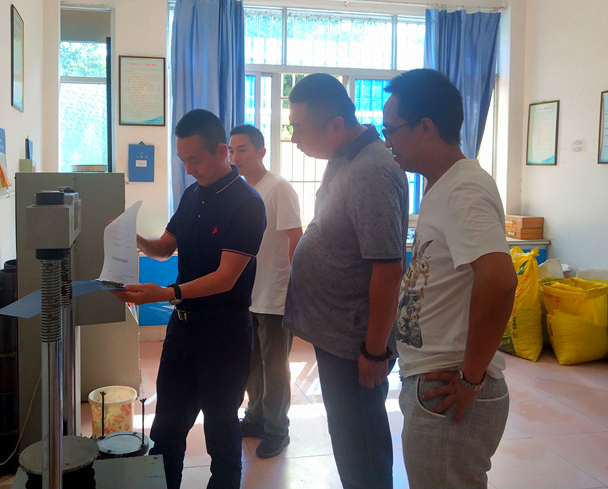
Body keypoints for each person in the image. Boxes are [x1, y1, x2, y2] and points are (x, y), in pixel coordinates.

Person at [113, 109, 266, 489]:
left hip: (224, 335)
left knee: (222, 433)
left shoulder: (247, 203)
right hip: (182, 333)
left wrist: (167, 293)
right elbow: (165, 247)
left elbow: (226, 277)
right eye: (182, 160)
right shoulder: (192, 194)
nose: (188, 169)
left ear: (221, 151)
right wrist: (130, 236)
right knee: (166, 431)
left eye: (194, 160)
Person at [382, 68, 517, 489]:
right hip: (434, 380)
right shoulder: (442, 186)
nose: (387, 142)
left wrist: (471, 378)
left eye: (392, 130)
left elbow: (499, 280)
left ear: (425, 128)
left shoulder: (463, 190)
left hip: (449, 386)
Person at [283, 73, 409, 489]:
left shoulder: (372, 171)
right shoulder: (344, 157)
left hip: (356, 342)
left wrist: (374, 351)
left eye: (299, 127)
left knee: (361, 448)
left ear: (335, 125)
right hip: (336, 331)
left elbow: (388, 270)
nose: (294, 138)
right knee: (348, 436)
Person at [227, 124, 303, 459]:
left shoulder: (278, 188)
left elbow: (295, 240)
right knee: (251, 365)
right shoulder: (241, 192)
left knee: (274, 368)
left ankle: (277, 429)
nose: (235, 157)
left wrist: (296, 290)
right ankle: (255, 418)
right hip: (247, 295)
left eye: (242, 149)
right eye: (231, 151)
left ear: (261, 152)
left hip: (275, 295)